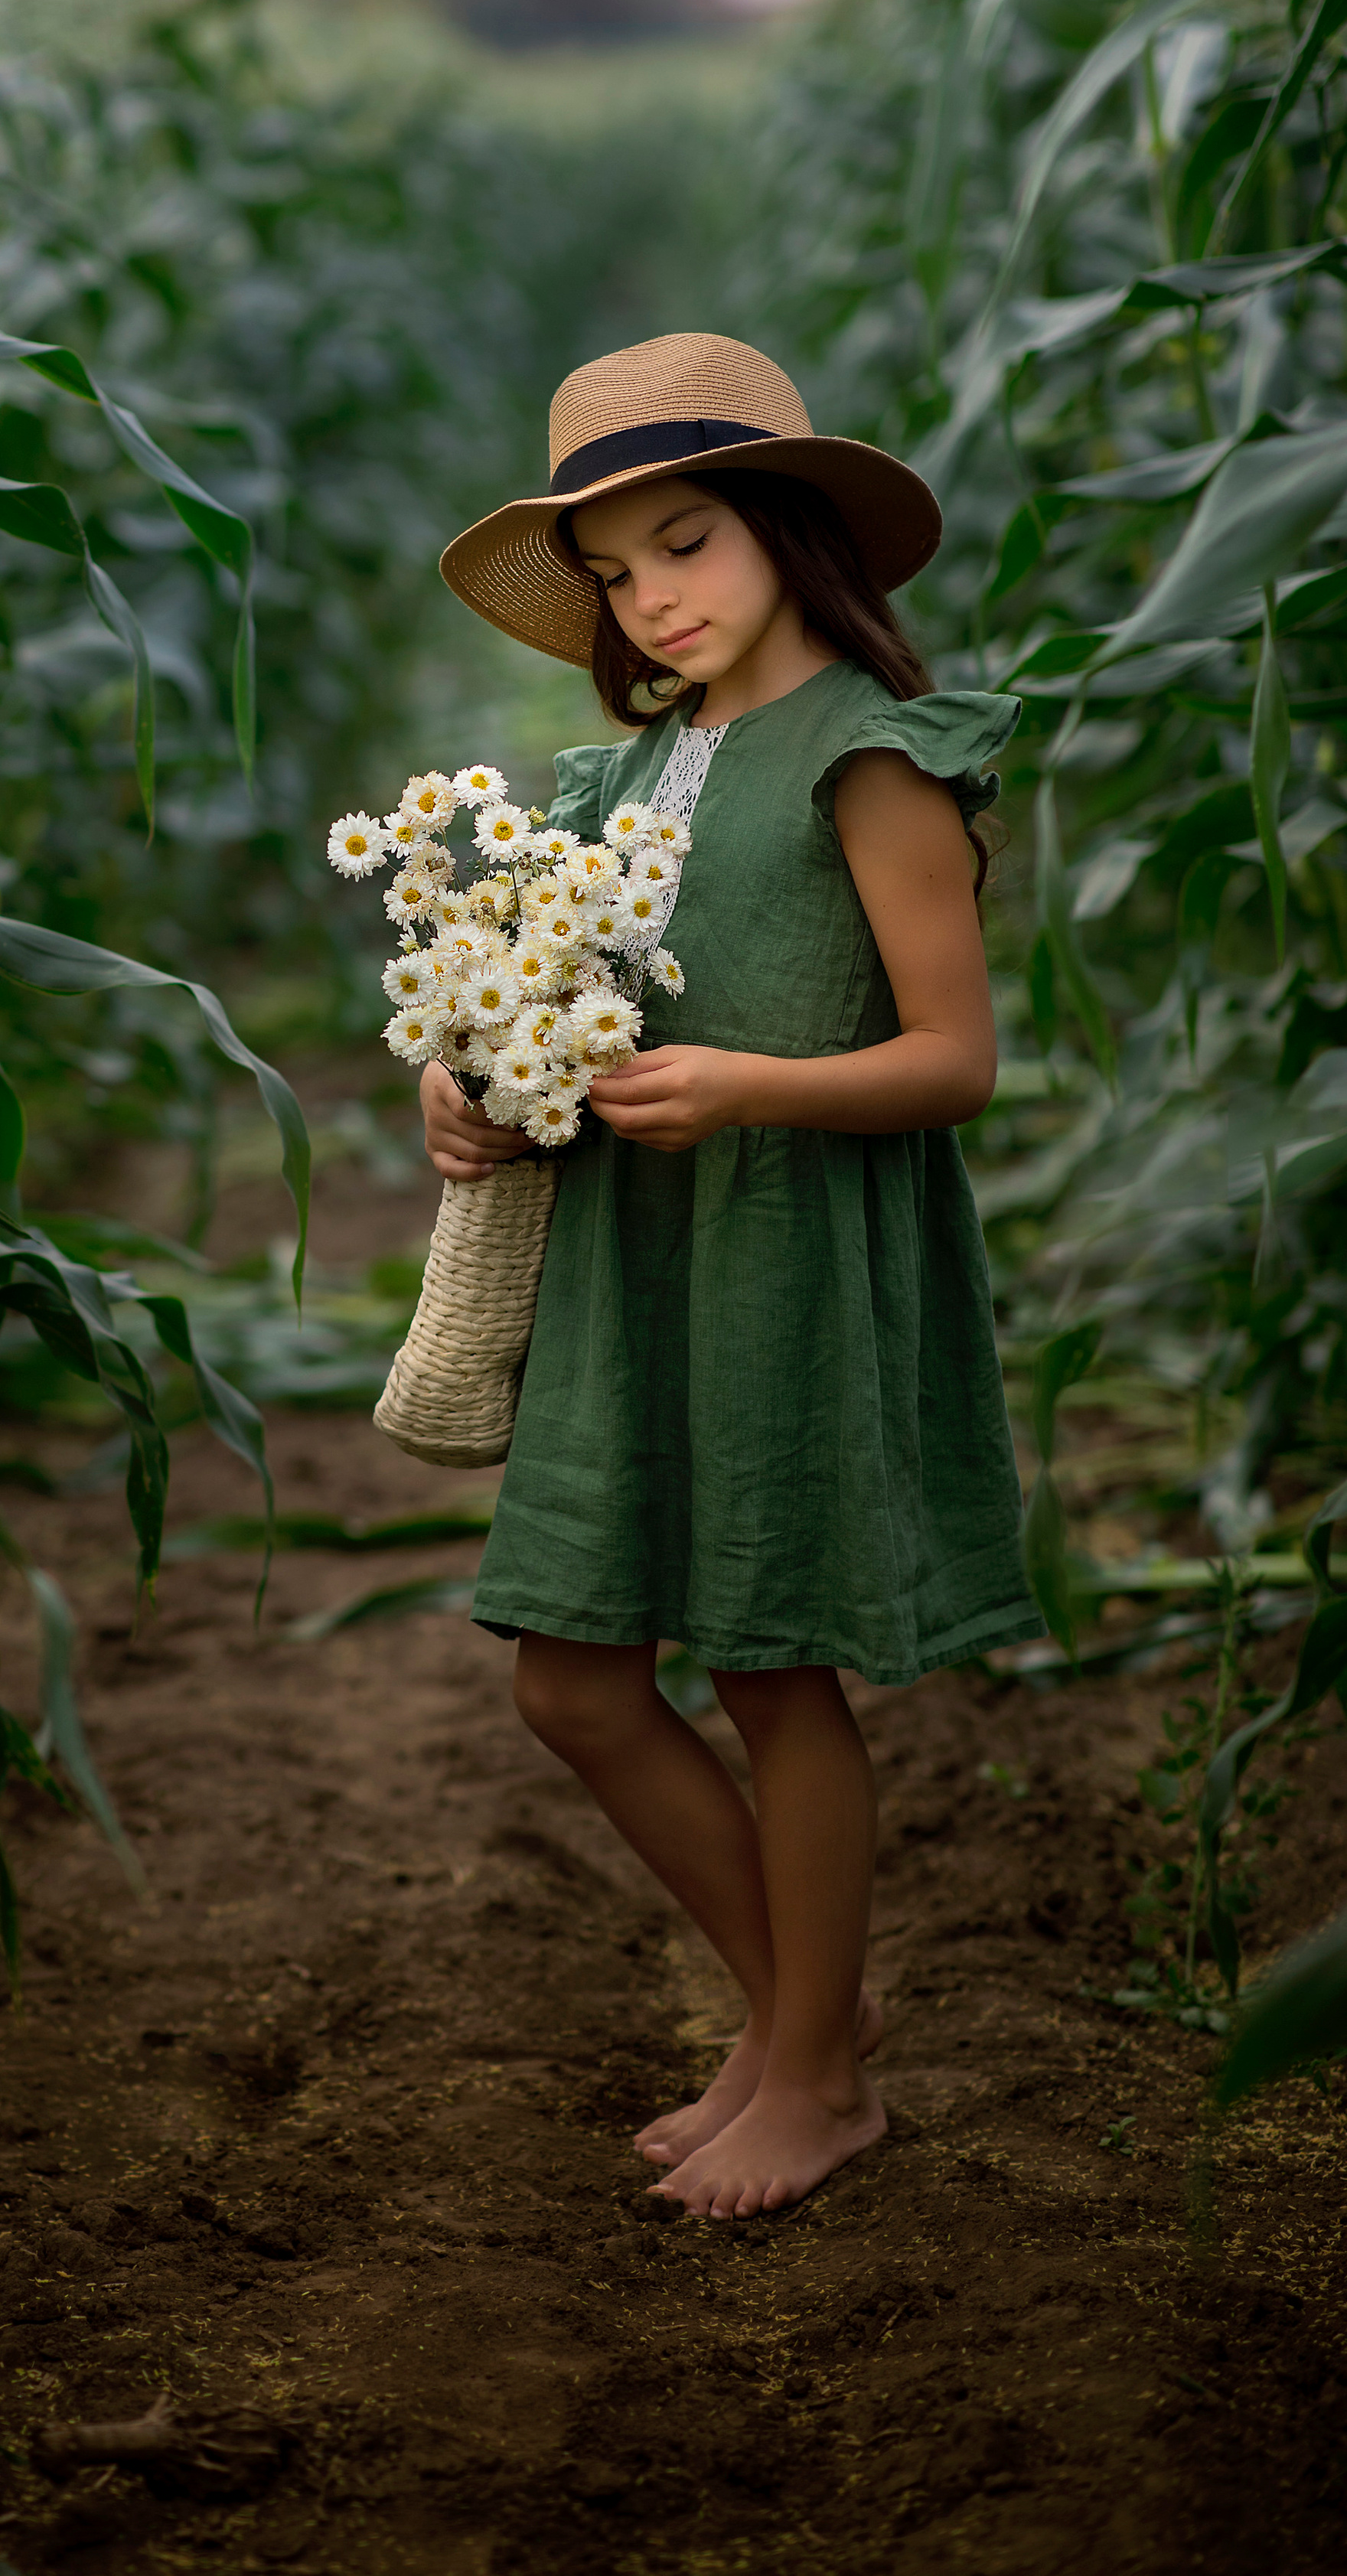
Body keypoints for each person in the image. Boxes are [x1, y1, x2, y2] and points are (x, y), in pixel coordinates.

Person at [425, 332, 1042, 2220]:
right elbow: (555, 1004)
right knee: (572, 1683)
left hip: (785, 1252)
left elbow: (955, 1060)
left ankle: (816, 2075)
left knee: (770, 1667)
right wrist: (471, 1085)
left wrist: (746, 1086)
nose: (651, 599)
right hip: (630, 1267)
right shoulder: (622, 775)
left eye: (684, 542)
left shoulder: (868, 756)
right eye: (614, 573)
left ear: (785, 525)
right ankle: (796, 2023)